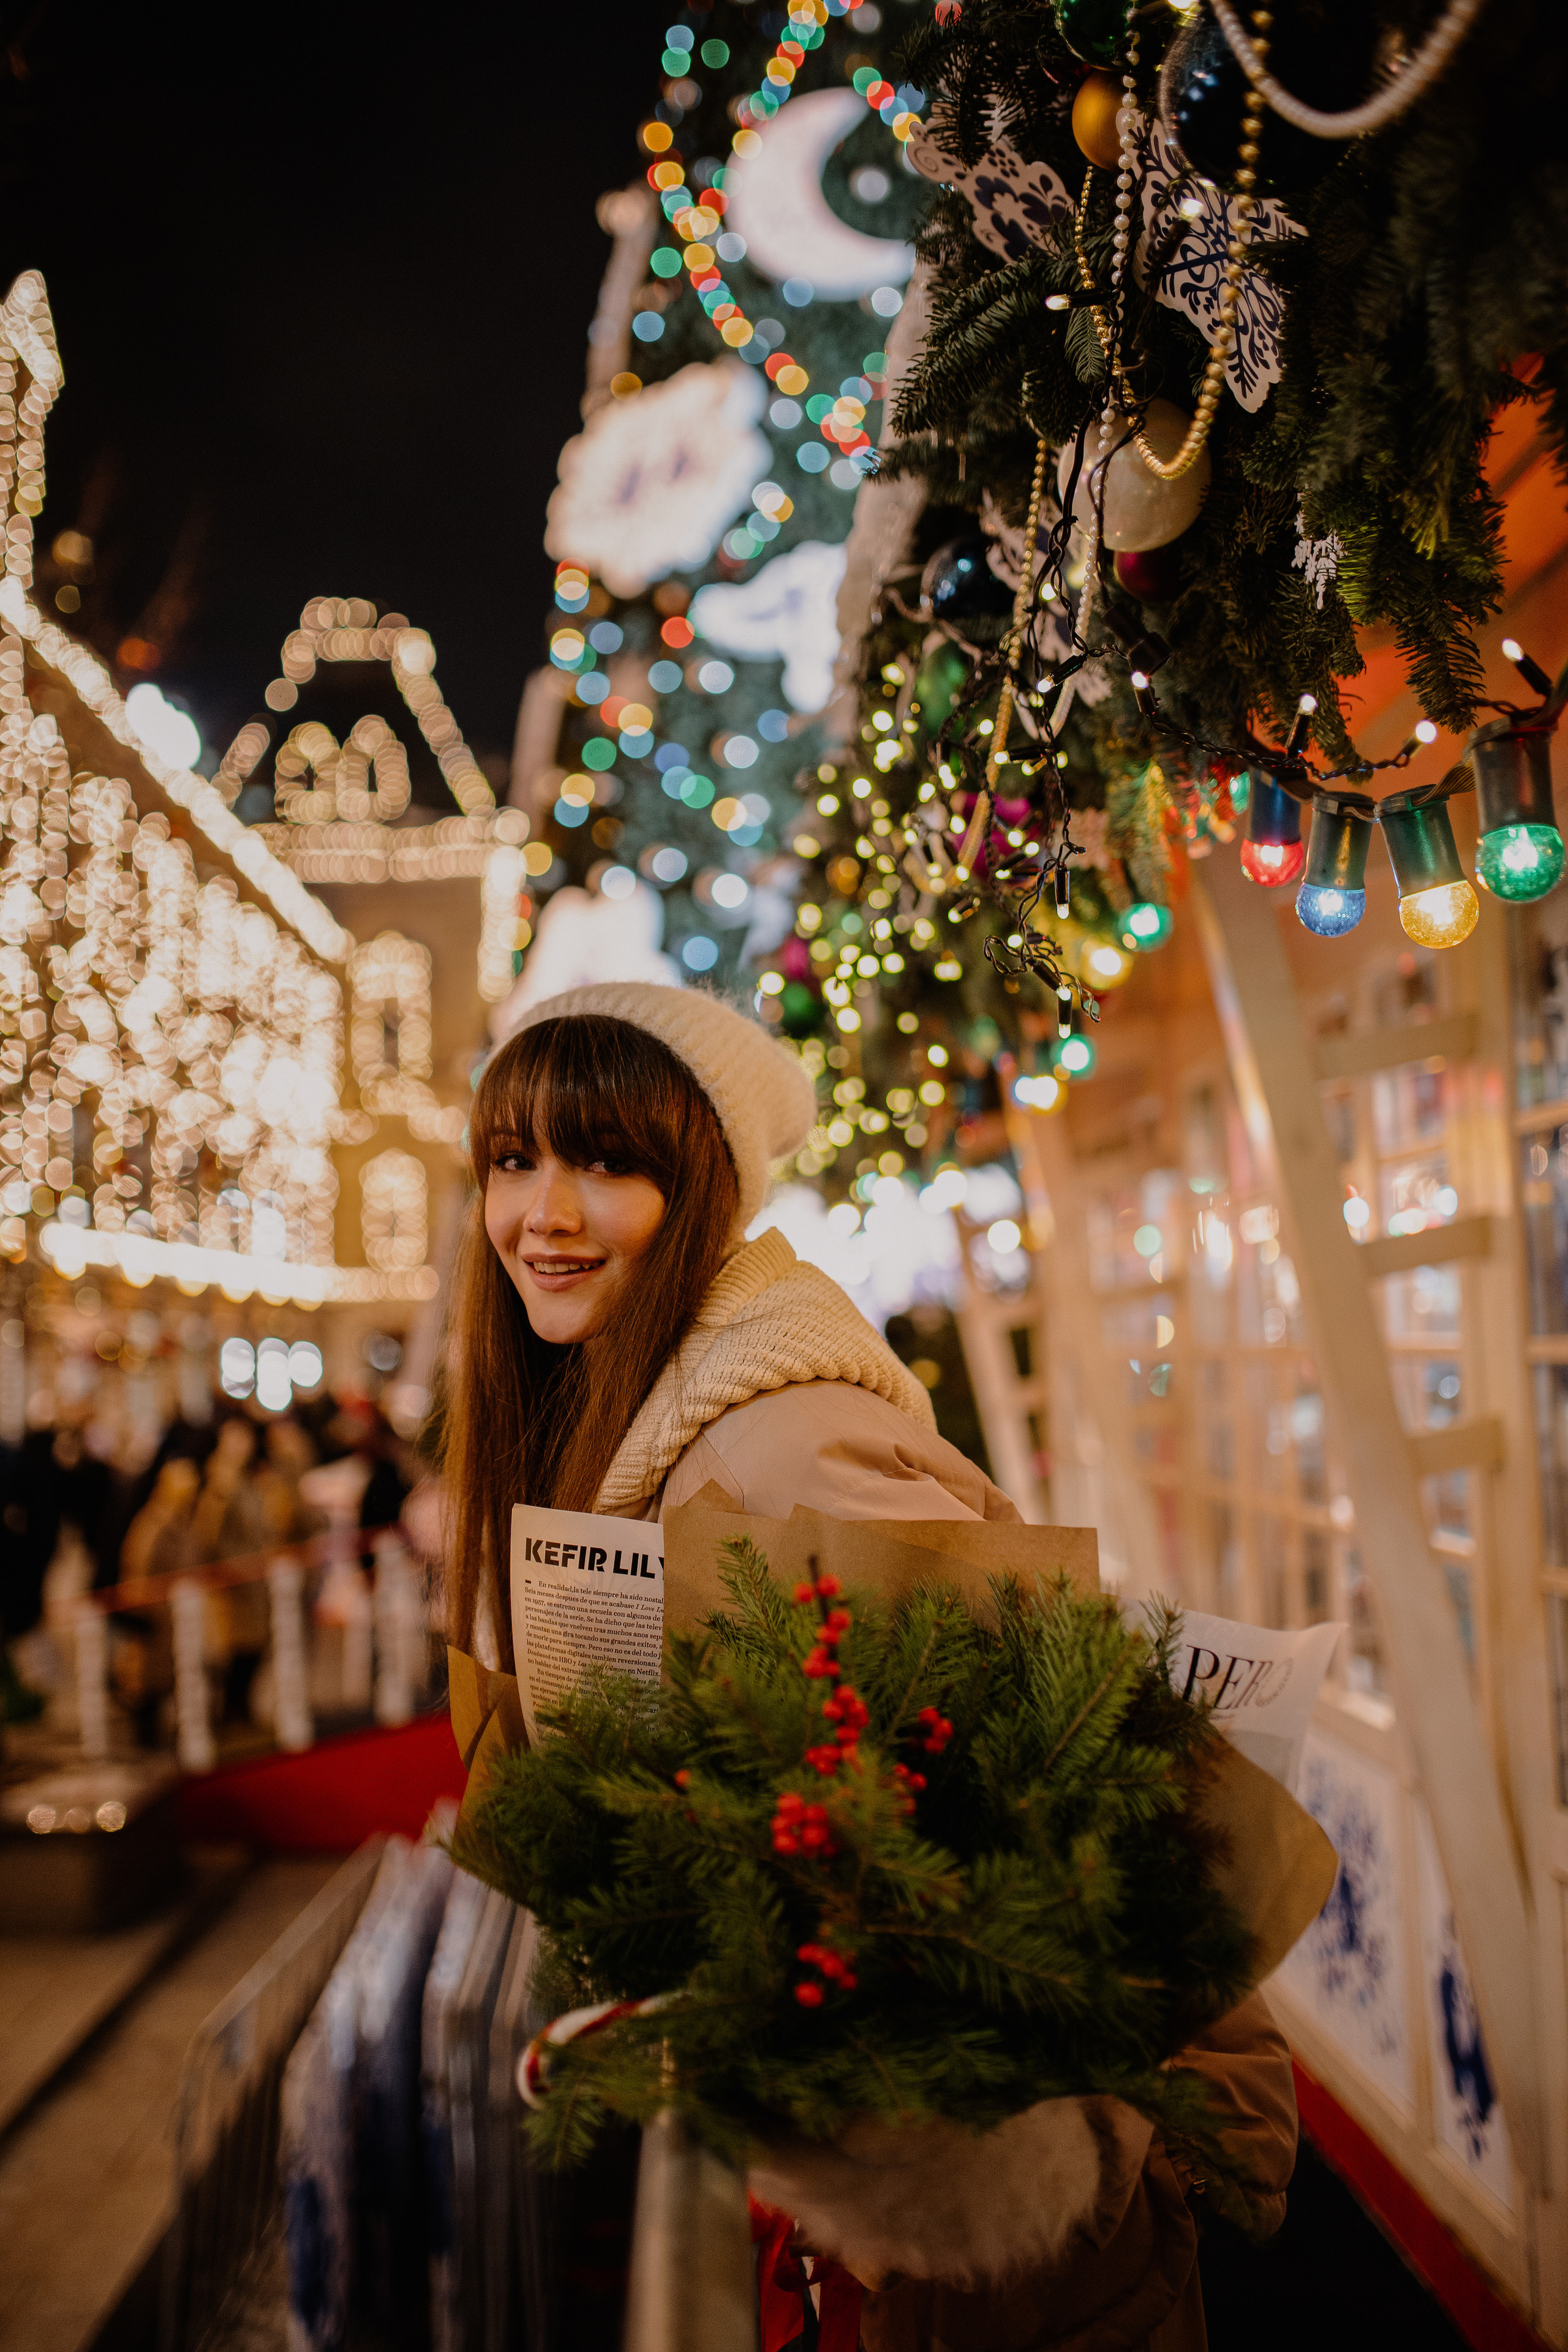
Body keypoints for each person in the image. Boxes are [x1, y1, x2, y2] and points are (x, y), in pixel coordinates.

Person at [442, 983, 1295, 2351]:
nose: (542, 1213)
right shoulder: (633, 1418)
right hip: (888, 2187)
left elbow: (1092, 1768)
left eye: (604, 1162)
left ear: (703, 1192)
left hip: (1009, 2201)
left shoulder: (782, 1445)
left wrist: (1178, 2146)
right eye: (510, 1160)